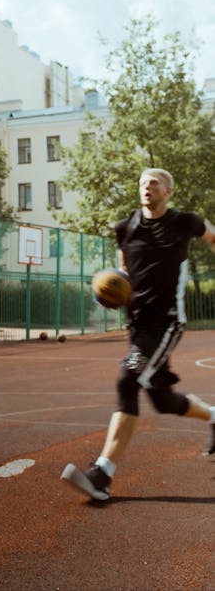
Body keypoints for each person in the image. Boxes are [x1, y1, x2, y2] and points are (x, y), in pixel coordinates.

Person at [61, 167, 215, 501]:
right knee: (163, 400)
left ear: (168, 191)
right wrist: (110, 292)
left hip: (167, 322)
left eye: (154, 183)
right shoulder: (125, 228)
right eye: (143, 183)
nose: (148, 188)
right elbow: (124, 272)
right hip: (138, 324)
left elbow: (213, 238)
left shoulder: (184, 222)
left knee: (127, 379)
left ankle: (101, 474)